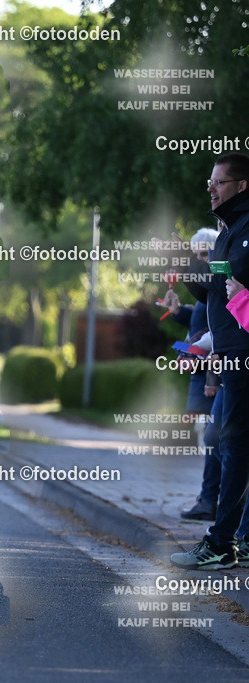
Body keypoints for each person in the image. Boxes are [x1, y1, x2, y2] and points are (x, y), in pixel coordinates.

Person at [171, 153, 249, 570]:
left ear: (241, 186)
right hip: (229, 352)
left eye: (219, 182)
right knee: (231, 445)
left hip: (242, 354)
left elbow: (235, 285)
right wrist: (187, 264)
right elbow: (215, 292)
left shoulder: (245, 227)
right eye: (210, 182)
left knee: (232, 445)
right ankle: (237, 540)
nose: (211, 189)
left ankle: (223, 544)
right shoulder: (229, 229)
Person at [161, 227, 220, 521]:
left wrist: (188, 351)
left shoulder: (216, 285)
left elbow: (214, 334)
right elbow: (199, 325)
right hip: (202, 376)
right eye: (195, 254)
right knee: (211, 439)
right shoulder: (203, 291)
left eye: (204, 254)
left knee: (214, 440)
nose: (199, 259)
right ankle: (209, 498)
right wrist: (178, 311)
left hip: (212, 377)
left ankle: (211, 500)